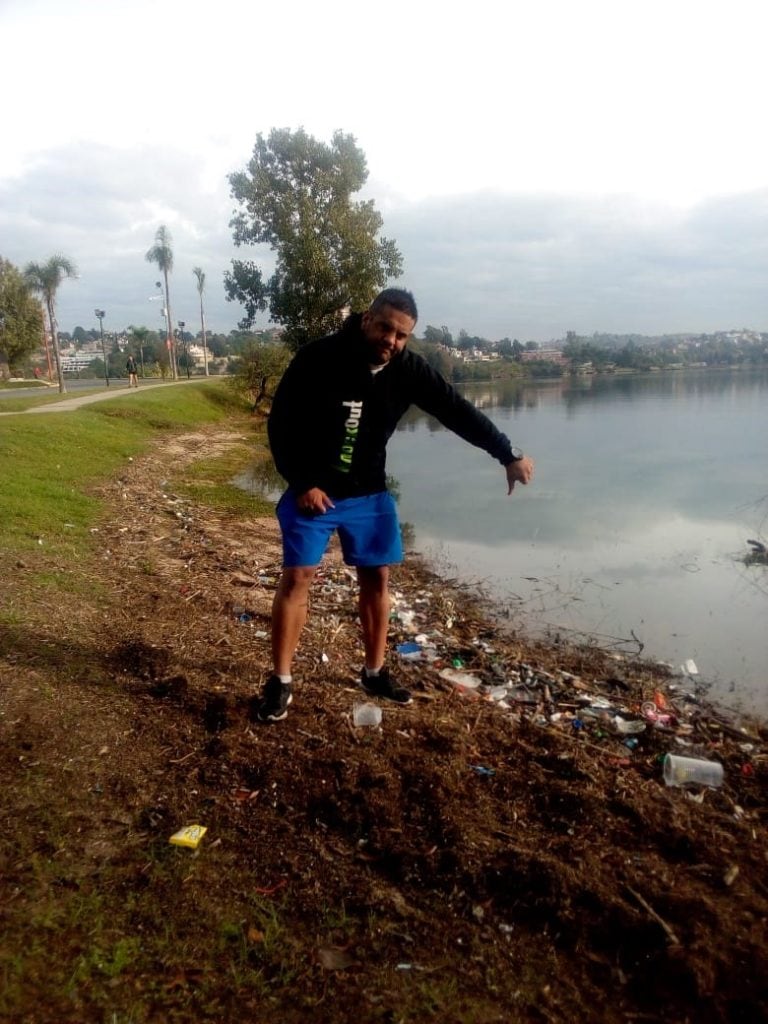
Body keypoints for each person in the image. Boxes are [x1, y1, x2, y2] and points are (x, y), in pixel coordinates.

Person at [252, 288, 535, 723]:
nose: (391, 340)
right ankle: (281, 681)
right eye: (385, 327)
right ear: (367, 319)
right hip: (314, 492)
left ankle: (374, 671)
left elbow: (457, 412)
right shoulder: (319, 357)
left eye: (402, 335)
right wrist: (303, 481)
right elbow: (281, 422)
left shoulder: (408, 370)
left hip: (370, 492)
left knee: (377, 579)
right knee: (297, 577)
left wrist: (507, 455)